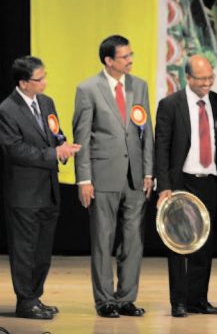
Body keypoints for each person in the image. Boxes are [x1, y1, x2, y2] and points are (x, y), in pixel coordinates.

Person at [73, 35, 154, 318]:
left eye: (131, 54)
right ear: (109, 61)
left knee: (133, 240)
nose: (130, 60)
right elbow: (81, 136)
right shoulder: (88, 89)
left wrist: (148, 171)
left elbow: (146, 133)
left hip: (134, 176)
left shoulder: (139, 86)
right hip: (102, 175)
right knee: (103, 240)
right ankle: (105, 300)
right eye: (124, 56)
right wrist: (84, 179)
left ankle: (126, 298)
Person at [0, 56, 80, 320]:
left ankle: (35, 296)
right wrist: (52, 154)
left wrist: (64, 148)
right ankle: (25, 301)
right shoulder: (7, 110)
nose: (45, 82)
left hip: (48, 190)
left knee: (42, 251)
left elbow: (55, 135)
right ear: (24, 83)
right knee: (25, 250)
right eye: (39, 78)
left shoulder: (46, 103)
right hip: (24, 193)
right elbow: (16, 150)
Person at [155, 55, 217, 318]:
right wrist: (164, 186)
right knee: (179, 244)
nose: (206, 83)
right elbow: (162, 148)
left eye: (210, 78)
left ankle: (197, 299)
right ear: (187, 78)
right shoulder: (170, 105)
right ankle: (178, 300)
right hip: (181, 182)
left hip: (209, 181)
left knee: (205, 244)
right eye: (201, 79)